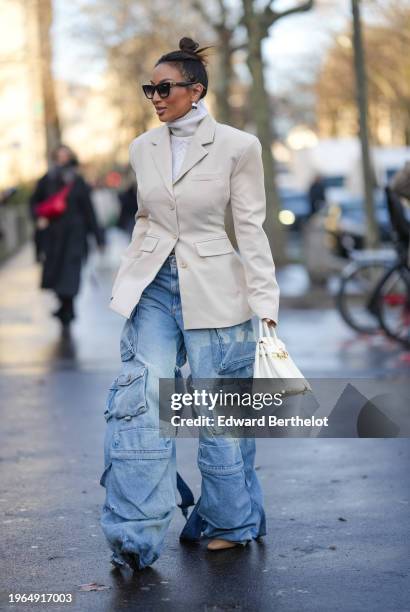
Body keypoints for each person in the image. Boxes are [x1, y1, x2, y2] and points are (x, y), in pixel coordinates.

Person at [99, 36, 280, 571]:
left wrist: (264, 301)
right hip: (154, 286)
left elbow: (250, 228)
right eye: (148, 89)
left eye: (164, 88)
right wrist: (130, 276)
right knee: (139, 403)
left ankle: (230, 519)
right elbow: (146, 218)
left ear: (195, 91)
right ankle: (134, 534)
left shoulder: (238, 146)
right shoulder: (141, 149)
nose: (154, 97)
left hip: (216, 287)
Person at [29, 145, 105, 328]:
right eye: (59, 155)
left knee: (71, 272)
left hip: (75, 236)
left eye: (66, 155)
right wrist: (39, 218)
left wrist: (99, 237)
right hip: (53, 236)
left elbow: (89, 210)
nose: (62, 159)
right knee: (56, 271)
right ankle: (64, 306)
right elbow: (34, 203)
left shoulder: (78, 182)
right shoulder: (46, 180)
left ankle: (68, 307)